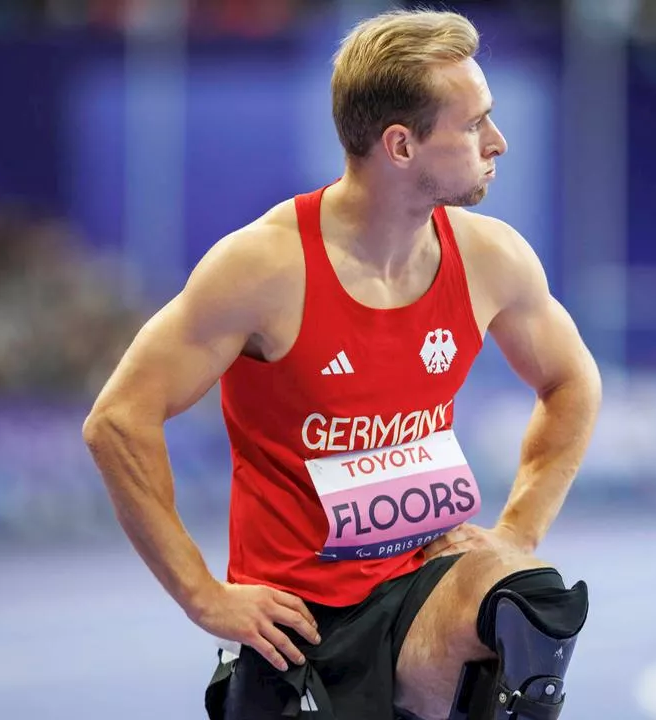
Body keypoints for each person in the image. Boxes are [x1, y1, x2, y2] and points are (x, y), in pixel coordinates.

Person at [83, 8, 601, 720]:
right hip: (297, 625)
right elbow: (117, 421)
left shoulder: (491, 258)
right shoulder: (264, 267)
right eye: (475, 123)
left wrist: (516, 531)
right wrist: (202, 594)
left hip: (421, 590)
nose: (497, 141)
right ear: (401, 145)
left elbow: (572, 380)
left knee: (528, 606)